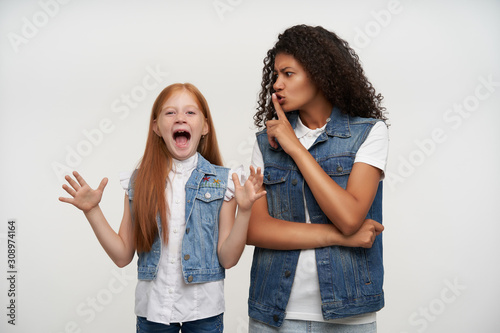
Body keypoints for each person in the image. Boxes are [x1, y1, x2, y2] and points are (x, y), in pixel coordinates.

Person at [59, 83, 266, 333]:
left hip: (204, 311)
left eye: (190, 112)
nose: (180, 117)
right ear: (156, 127)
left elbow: (228, 259)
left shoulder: (225, 183)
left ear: (205, 126)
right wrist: (92, 211)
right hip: (152, 312)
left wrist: (244, 212)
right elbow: (123, 255)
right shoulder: (139, 182)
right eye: (170, 113)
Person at [246, 24, 389, 332]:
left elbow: (350, 216)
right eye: (275, 76)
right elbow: (256, 229)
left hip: (349, 314)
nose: (277, 85)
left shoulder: (368, 133)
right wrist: (339, 236)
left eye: (288, 74)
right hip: (274, 312)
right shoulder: (265, 143)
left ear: (320, 74)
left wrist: (296, 148)